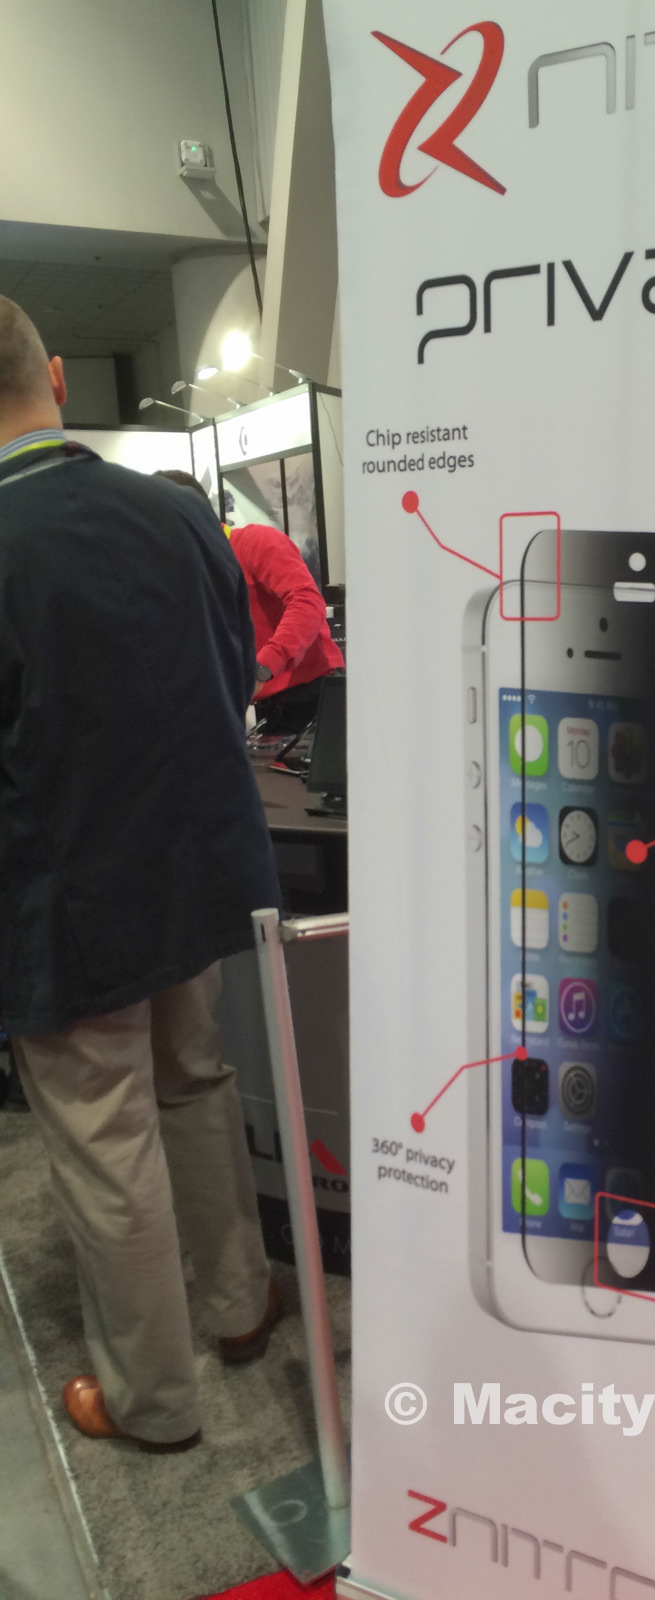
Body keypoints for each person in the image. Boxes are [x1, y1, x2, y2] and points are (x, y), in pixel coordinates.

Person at [0, 297, 283, 1451]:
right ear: (60, 377)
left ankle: (151, 1400)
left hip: (63, 902)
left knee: (105, 1136)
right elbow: (235, 675)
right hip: (194, 869)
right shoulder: (177, 514)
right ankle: (239, 1304)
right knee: (197, 1080)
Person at [157, 471, 343, 734]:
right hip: (269, 707)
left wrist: (262, 668)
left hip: (315, 695)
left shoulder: (256, 542)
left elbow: (307, 602)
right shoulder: (195, 573)